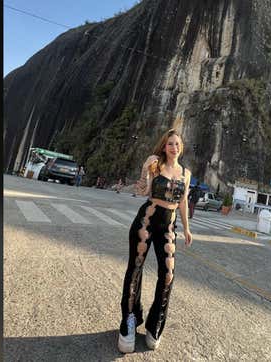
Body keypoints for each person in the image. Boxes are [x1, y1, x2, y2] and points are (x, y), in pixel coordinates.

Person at [118, 129, 193, 353]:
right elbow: (142, 191)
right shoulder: (155, 165)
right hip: (146, 221)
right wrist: (145, 169)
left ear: (181, 148)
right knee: (135, 270)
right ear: (163, 146)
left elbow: (183, 203)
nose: (174, 147)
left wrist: (187, 229)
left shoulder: (186, 173)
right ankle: (129, 322)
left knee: (168, 274)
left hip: (169, 226)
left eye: (177, 144)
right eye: (170, 144)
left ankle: (155, 324)